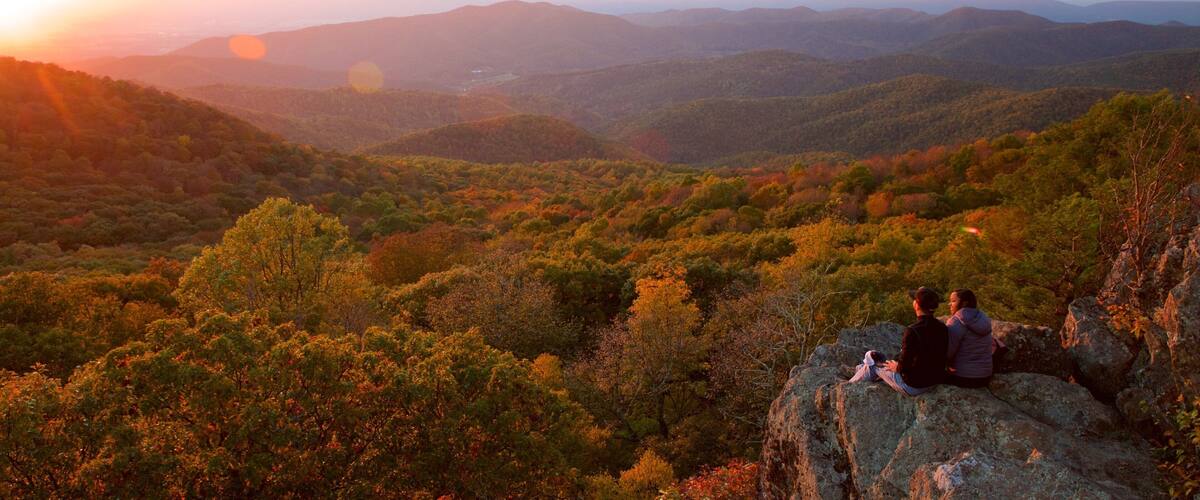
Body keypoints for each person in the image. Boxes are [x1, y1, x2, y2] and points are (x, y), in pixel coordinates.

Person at [849, 287, 949, 396]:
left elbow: (903, 365)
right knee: (875, 363)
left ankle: (848, 387)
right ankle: (860, 370)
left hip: (913, 385)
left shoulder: (913, 330)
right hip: (933, 380)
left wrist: (897, 367)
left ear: (916, 305)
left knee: (872, 364)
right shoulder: (942, 327)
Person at [945, 289, 994, 388]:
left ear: (964, 303)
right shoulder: (983, 317)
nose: (949, 304)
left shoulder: (955, 321)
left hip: (964, 377)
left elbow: (948, 352)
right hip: (986, 376)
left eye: (953, 301)